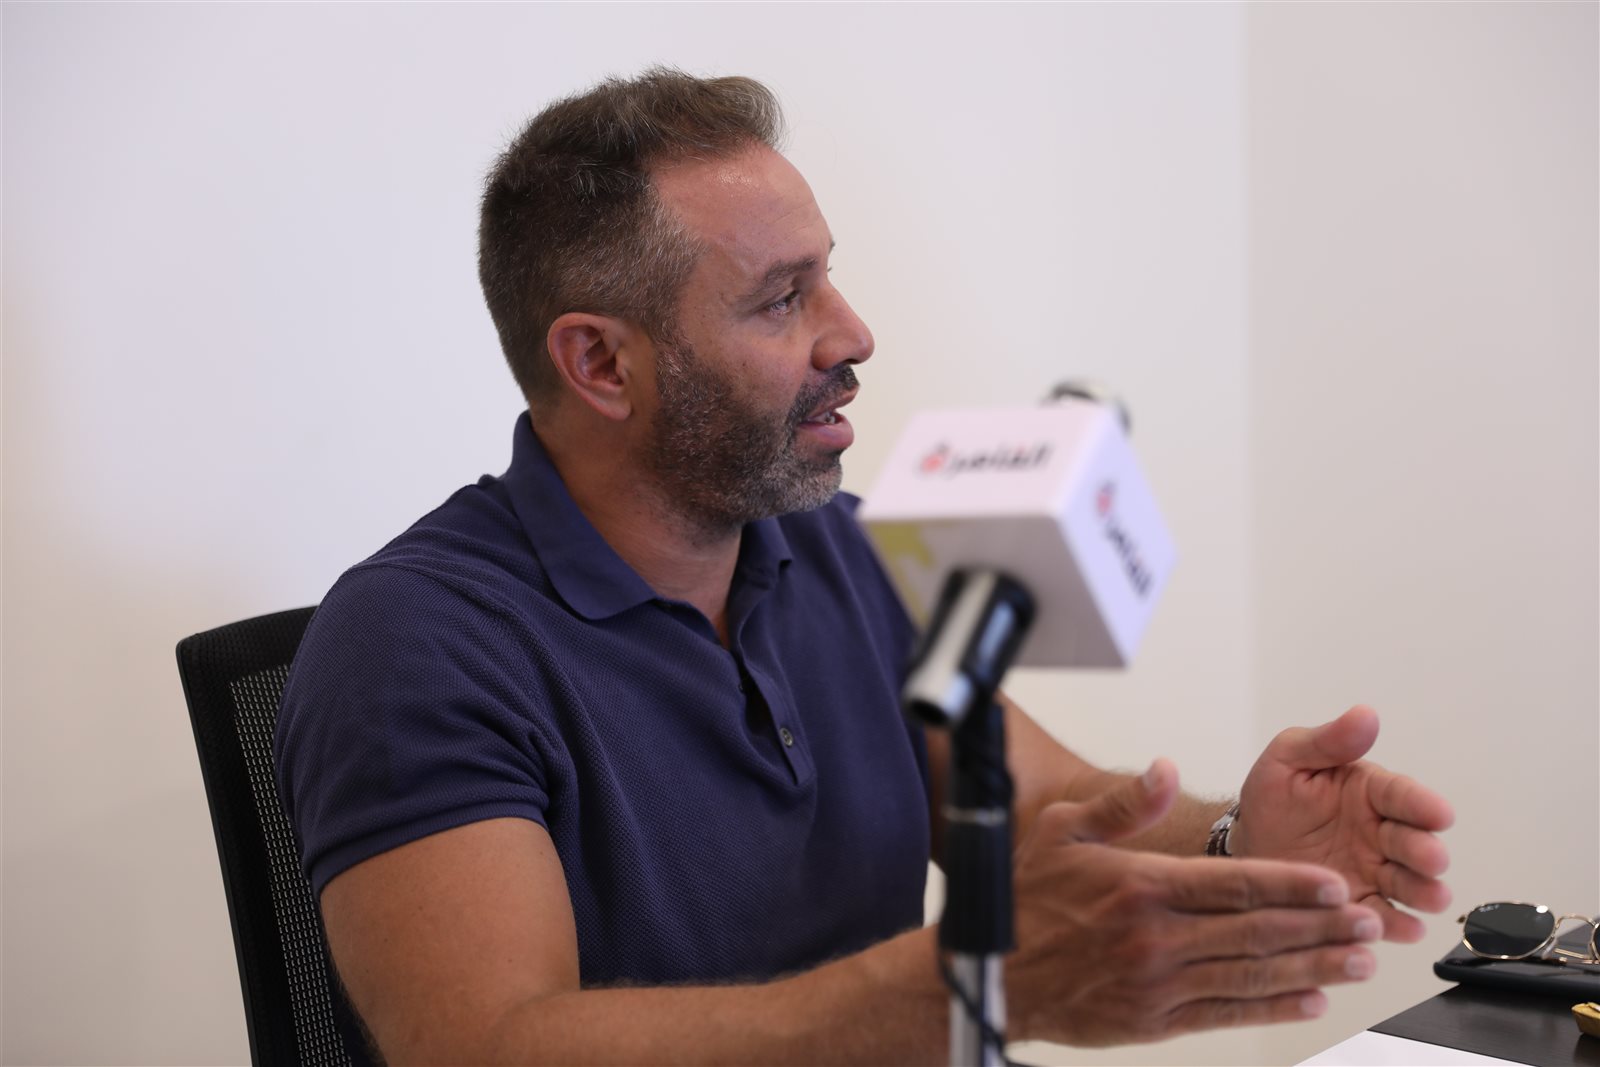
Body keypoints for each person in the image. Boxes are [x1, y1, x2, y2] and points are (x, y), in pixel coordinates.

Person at [275, 69, 1455, 1065]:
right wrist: (965, 989)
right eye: (781, 298)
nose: (851, 334)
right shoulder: (411, 643)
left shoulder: (835, 545)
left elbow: (1037, 809)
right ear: (600, 363)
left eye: (826, 275)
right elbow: (487, 1043)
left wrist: (1238, 839)